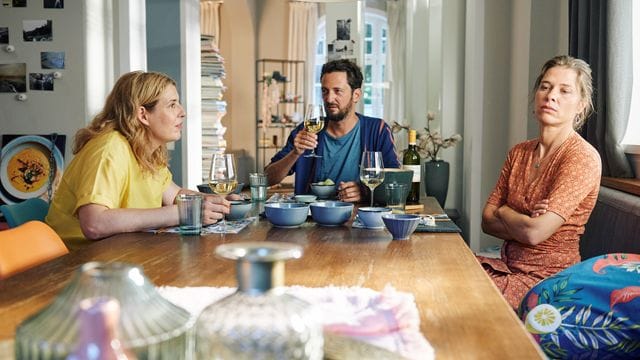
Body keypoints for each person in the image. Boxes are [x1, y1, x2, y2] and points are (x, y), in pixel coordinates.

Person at [46, 71, 233, 250]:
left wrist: (217, 202)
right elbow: (95, 224)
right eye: (172, 104)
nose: (182, 112)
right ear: (143, 115)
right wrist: (182, 213)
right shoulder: (110, 148)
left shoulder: (146, 149)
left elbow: (175, 196)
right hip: (77, 264)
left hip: (119, 254)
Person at [477, 55, 602, 310]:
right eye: (545, 86)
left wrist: (504, 211)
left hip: (549, 283)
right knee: (442, 270)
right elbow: (486, 221)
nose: (551, 95)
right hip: (507, 268)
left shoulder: (581, 157)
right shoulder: (519, 152)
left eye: (564, 90)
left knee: (454, 291)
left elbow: (534, 233)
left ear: (581, 104)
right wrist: (519, 219)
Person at [265, 59, 400, 202]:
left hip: (359, 218)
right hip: (311, 218)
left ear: (356, 95)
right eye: (325, 91)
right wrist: (295, 153)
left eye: (338, 91)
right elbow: (267, 179)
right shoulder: (306, 130)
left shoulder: (377, 131)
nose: (329, 99)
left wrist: (364, 192)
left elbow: (397, 182)